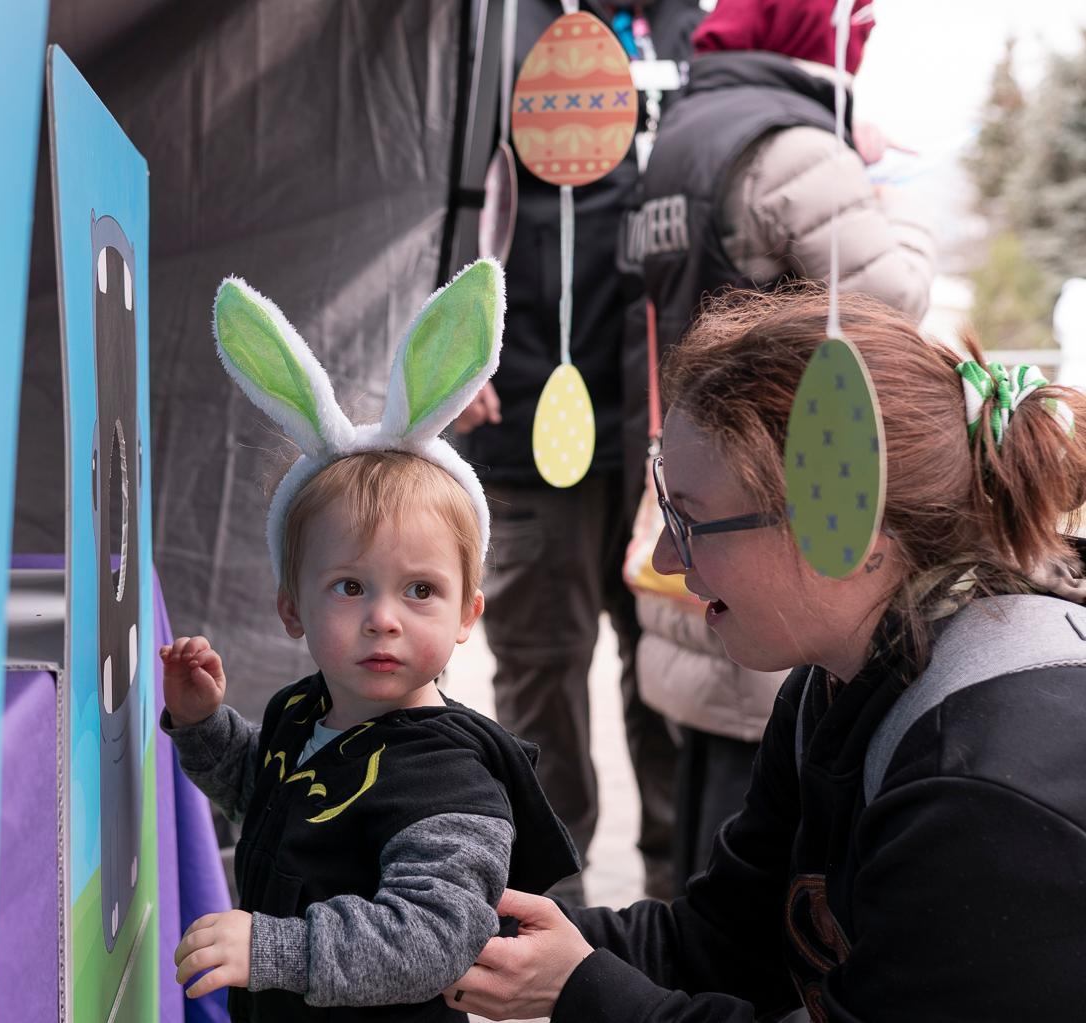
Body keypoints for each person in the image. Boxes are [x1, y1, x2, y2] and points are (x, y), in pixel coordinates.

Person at [443, 287, 1086, 1021]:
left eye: (690, 519)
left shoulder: (988, 791)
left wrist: (583, 991)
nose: (662, 555)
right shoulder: (838, 679)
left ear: (844, 525)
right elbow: (725, 943)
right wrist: (465, 932)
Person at [165, 264, 579, 1021]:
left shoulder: (451, 776)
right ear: (291, 607)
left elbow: (435, 935)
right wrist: (204, 727)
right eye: (350, 586)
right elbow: (272, 797)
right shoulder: (309, 711)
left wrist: (271, 949)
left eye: (420, 590)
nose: (383, 617)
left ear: (467, 614)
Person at [619, 0, 937, 893]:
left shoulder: (680, 139)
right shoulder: (796, 151)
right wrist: (892, 201)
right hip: (781, 529)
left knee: (702, 825)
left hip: (690, 503)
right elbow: (888, 305)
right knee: (762, 845)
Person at [456, 0, 704, 905]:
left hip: (674, 441)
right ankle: (551, 938)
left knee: (675, 685)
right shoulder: (501, 23)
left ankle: (684, 933)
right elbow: (439, 186)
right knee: (543, 699)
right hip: (527, 425)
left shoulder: (694, 27)